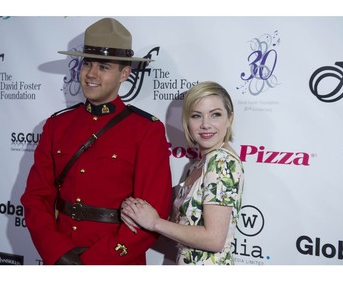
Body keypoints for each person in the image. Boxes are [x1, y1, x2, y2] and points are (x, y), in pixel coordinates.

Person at [20, 18, 172, 265]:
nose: (91, 74)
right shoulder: (57, 125)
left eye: (104, 66)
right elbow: (36, 198)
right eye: (87, 63)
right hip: (61, 257)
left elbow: (153, 215)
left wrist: (94, 262)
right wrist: (58, 252)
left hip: (116, 261)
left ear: (124, 74)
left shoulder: (146, 130)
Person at [121, 81, 244, 265]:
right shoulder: (198, 165)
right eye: (196, 116)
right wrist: (133, 208)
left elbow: (214, 239)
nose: (205, 124)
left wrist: (154, 223)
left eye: (215, 115)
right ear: (187, 121)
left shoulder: (221, 162)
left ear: (230, 118)